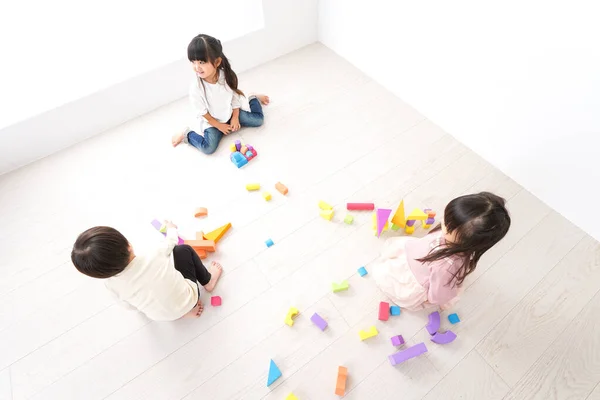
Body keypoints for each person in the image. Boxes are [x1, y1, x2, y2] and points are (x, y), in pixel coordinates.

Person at [372, 192, 511, 310]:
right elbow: (439, 294)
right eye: (446, 219)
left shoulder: (446, 265)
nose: (442, 223)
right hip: (408, 271)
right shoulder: (448, 264)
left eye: (448, 225)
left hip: (408, 258)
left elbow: (439, 290)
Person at [71, 223, 222, 321]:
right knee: (183, 250)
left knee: (159, 296)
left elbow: (129, 307)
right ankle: (208, 281)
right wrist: (171, 228)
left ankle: (184, 312)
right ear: (128, 245)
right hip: (189, 297)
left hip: (161, 316)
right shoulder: (153, 255)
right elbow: (171, 242)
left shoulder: (111, 286)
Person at [172, 33, 270, 154]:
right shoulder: (196, 87)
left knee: (258, 121)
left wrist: (234, 117)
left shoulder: (226, 76)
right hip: (212, 122)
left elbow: (234, 98)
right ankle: (187, 134)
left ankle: (253, 98)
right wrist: (219, 126)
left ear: (217, 62)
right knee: (208, 148)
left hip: (230, 114)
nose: (196, 67)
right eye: (193, 62)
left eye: (202, 62)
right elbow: (203, 113)